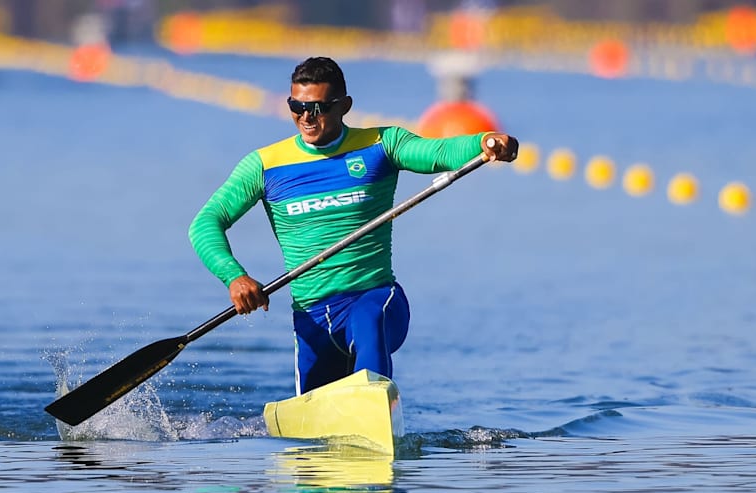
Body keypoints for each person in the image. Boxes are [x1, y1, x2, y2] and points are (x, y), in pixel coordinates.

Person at [189, 57, 518, 396]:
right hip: (312, 316)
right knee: (311, 433)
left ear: (344, 106)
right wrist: (234, 276)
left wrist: (484, 142)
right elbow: (205, 224)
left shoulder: (382, 144)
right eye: (296, 106)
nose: (305, 117)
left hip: (374, 299)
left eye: (317, 108)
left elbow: (437, 151)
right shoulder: (263, 166)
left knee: (369, 322)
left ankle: (375, 405)